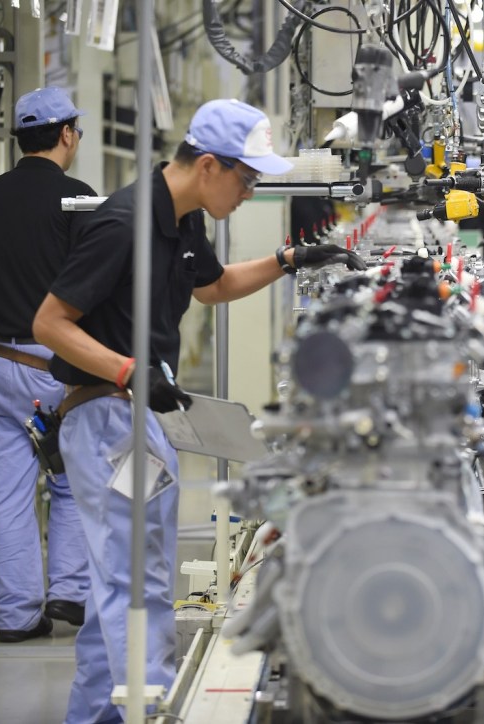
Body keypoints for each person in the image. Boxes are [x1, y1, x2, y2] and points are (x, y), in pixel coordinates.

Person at [32, 98, 366, 723]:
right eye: (247, 177)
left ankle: (95, 715)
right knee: (138, 584)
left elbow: (211, 287)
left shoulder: (183, 221)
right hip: (108, 421)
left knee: (122, 583)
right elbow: (49, 323)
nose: (250, 190)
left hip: (135, 419)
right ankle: (151, 709)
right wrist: (128, 371)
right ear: (208, 164)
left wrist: (290, 260)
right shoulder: (123, 223)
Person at [0, 86, 94, 643]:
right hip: (58, 368)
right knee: (74, 480)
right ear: (65, 133)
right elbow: (98, 286)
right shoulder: (80, 198)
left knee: (7, 495)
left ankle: (17, 618)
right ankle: (69, 592)